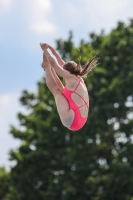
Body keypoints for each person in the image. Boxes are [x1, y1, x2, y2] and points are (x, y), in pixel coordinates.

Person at [40, 43, 98, 131]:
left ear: (68, 71)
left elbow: (55, 64)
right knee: (61, 90)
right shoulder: (77, 78)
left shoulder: (70, 77)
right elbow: (62, 64)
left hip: (72, 120)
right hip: (81, 119)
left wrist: (45, 50)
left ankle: (47, 67)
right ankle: (48, 67)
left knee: (57, 91)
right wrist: (54, 52)